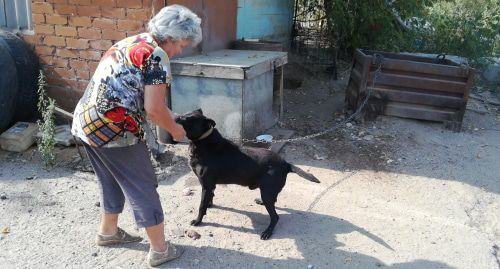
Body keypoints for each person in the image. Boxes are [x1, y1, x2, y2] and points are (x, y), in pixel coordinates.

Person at [70, 5, 202, 267]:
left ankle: (108, 233)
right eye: (183, 45)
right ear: (172, 38)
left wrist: (170, 115)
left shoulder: (134, 42)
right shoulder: (157, 56)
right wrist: (176, 131)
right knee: (142, 184)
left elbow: (140, 94)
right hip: (114, 129)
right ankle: (160, 249)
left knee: (110, 178)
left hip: (86, 123)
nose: (180, 51)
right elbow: (153, 109)